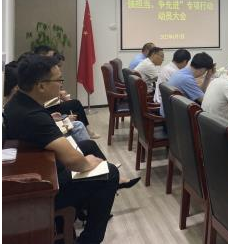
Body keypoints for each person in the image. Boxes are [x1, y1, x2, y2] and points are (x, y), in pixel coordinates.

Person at [3, 55, 139, 244]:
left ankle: (86, 208)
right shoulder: (32, 115)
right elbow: (75, 162)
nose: (61, 85)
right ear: (41, 86)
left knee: (88, 145)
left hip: (43, 166)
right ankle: (90, 239)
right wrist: (87, 162)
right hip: (46, 186)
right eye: (58, 80)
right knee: (109, 173)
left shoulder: (20, 101)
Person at [34, 49, 101, 139]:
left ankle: (83, 132)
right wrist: (59, 97)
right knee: (75, 105)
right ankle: (85, 131)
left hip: (49, 106)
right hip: (48, 107)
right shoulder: (40, 74)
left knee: (75, 110)